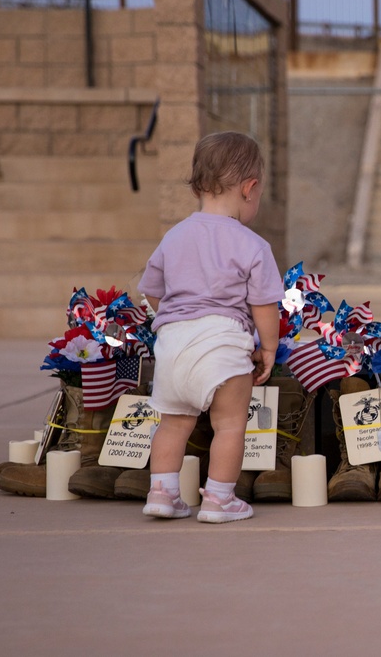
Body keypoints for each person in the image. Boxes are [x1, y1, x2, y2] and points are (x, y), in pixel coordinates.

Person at [139, 131, 283, 523]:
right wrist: (267, 347)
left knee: (172, 424)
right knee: (230, 424)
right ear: (250, 189)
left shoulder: (175, 236)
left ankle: (162, 493)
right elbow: (264, 306)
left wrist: (173, 319)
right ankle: (219, 499)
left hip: (173, 344)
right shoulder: (252, 245)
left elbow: (152, 291)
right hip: (222, 344)